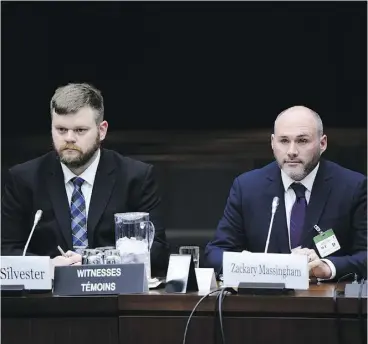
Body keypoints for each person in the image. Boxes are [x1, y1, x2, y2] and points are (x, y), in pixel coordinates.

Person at [1, 82, 169, 276]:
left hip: (114, 298)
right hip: (47, 299)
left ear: (102, 130)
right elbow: (6, 252)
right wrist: (47, 267)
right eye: (61, 130)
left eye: (80, 130)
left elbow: (157, 251)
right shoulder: (24, 179)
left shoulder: (135, 177)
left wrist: (92, 262)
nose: (69, 138)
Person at [204, 106, 367, 280]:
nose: (291, 151)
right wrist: (253, 264)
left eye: (302, 141)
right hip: (261, 303)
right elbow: (214, 254)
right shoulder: (247, 187)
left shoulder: (353, 187)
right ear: (272, 143)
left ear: (322, 143)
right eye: (283, 141)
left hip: (324, 302)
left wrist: (327, 268)